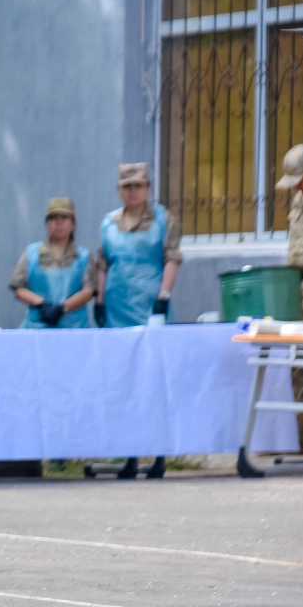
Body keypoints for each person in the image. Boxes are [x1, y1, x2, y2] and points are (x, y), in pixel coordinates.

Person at [94, 162, 182, 480]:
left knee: (153, 379)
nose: (132, 191)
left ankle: (158, 455)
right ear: (119, 190)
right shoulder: (108, 223)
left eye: (138, 185)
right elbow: (103, 262)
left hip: (150, 307)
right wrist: (99, 300)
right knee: (122, 382)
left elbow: (172, 257)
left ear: (148, 188)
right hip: (116, 308)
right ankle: (129, 456)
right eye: (126, 186)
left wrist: (164, 296)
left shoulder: (164, 219)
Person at [10, 197, 94, 328]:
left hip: (75, 331)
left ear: (73, 224)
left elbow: (88, 291)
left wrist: (62, 309)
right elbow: (18, 288)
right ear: (46, 223)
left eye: (64, 217)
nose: (58, 222)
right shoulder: (31, 253)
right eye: (53, 218)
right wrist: (41, 304)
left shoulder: (84, 256)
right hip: (36, 328)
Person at [275, 144, 303, 451]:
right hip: (297, 292)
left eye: (301, 177)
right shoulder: (300, 200)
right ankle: (300, 440)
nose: (297, 185)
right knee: (296, 363)